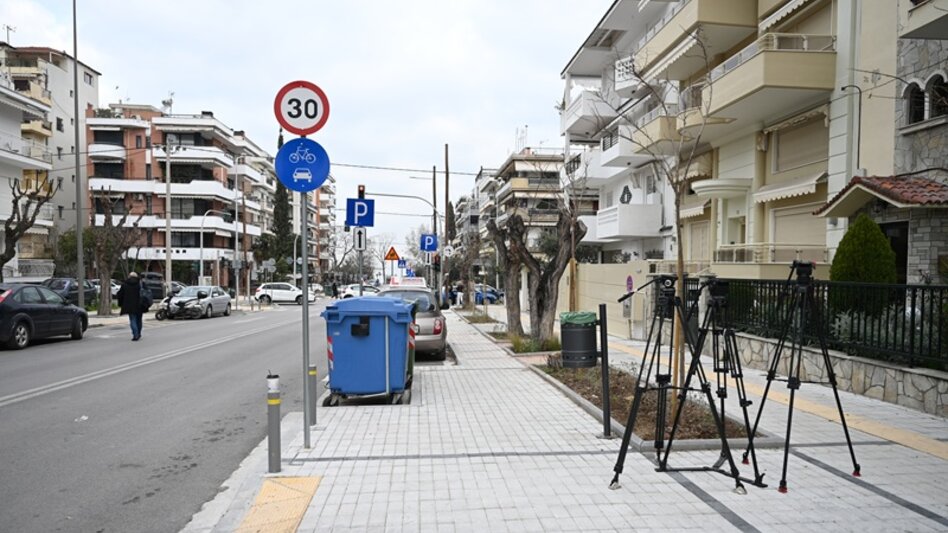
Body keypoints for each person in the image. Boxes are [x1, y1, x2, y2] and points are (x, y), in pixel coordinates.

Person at [117, 272, 148, 341]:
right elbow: (147, 293)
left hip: (129, 305)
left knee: (132, 320)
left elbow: (120, 294)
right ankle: (139, 333)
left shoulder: (125, 284)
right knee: (139, 320)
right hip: (140, 304)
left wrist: (121, 304)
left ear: (129, 276)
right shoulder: (140, 284)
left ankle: (135, 334)